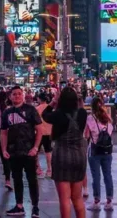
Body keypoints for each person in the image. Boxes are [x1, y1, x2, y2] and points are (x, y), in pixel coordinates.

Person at [45, 87, 88, 218]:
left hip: (62, 156)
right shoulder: (82, 114)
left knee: (64, 199)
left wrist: (53, 102)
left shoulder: (58, 115)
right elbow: (80, 107)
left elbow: (45, 115)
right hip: (79, 156)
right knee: (77, 198)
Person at [2, 85, 43, 217]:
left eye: (19, 93)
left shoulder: (31, 110)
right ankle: (19, 205)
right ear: (10, 96)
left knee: (32, 180)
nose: (17, 96)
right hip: (14, 152)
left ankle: (35, 207)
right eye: (14, 94)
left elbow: (40, 130)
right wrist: (4, 149)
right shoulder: (7, 113)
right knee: (17, 179)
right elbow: (3, 133)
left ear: (23, 95)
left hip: (29, 151)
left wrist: (36, 147)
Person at [85, 97, 115, 211]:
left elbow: (86, 135)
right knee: (108, 175)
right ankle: (109, 201)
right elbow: (110, 133)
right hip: (107, 151)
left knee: (96, 176)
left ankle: (96, 202)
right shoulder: (108, 119)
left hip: (94, 150)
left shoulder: (90, 118)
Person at [35, 92, 54, 178]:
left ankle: (38, 169)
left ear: (39, 99)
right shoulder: (50, 108)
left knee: (36, 152)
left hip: (39, 133)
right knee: (48, 151)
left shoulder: (37, 109)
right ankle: (49, 169)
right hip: (49, 132)